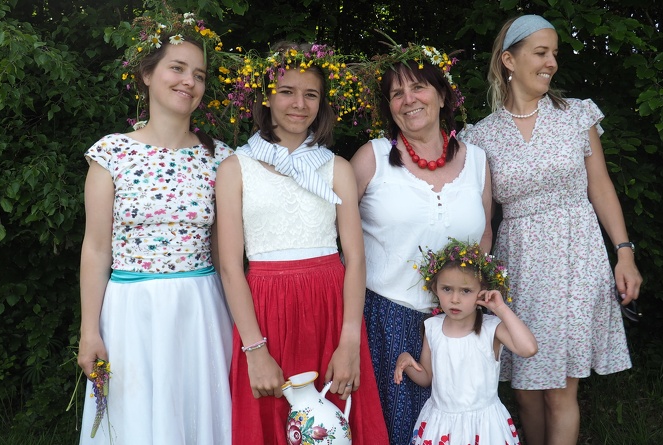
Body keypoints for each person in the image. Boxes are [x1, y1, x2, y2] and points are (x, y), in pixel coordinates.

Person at [459, 14, 643, 445]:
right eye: (541, 53)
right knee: (525, 393)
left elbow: (600, 187)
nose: (552, 63)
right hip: (520, 264)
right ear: (509, 60)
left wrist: (625, 252)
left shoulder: (576, 115)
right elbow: (482, 217)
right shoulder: (481, 137)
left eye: (554, 53)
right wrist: (473, 275)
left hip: (577, 255)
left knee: (560, 390)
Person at [215, 42, 389, 444]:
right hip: (265, 314)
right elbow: (230, 266)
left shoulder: (336, 167)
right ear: (266, 97)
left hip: (330, 309)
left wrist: (349, 342)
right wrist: (255, 350)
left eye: (311, 94)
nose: (299, 103)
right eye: (287, 91)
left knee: (337, 425)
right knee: (272, 422)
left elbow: (355, 258)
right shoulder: (235, 168)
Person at [77, 9, 235, 444]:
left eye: (199, 75)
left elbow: (226, 256)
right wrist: (89, 331)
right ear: (147, 75)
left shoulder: (220, 158)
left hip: (199, 311)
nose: (189, 82)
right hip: (132, 312)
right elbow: (96, 249)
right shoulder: (111, 153)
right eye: (177, 68)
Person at [350, 41, 493, 445]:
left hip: (457, 320)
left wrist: (470, 303)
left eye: (418, 87)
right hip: (387, 320)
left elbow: (484, 234)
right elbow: (337, 235)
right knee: (396, 430)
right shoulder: (372, 157)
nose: (409, 99)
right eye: (397, 93)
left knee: (461, 426)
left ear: (443, 95)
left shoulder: (477, 160)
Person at [393, 238, 537, 445]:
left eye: (466, 291)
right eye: (447, 289)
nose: (455, 299)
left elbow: (529, 348)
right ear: (435, 288)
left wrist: (500, 308)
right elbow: (426, 378)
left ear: (483, 290)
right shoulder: (433, 327)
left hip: (484, 427)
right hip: (442, 426)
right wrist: (407, 361)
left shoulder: (491, 328)